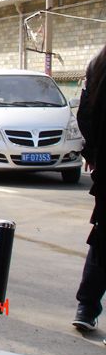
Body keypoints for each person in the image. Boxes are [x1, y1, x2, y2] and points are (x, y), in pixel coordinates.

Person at [71, 45, 106, 332]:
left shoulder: (98, 64)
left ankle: (86, 306)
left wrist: (94, 155)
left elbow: (84, 115)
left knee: (102, 238)